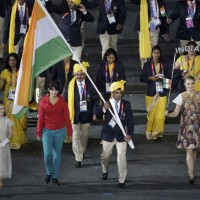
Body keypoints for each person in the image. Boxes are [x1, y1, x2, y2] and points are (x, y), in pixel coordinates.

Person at [96, 80, 134, 188]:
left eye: (120, 92)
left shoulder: (126, 104)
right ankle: (104, 170)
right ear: (112, 93)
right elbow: (97, 116)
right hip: (108, 135)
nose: (118, 95)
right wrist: (103, 108)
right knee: (105, 157)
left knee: (121, 158)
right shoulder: (106, 102)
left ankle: (122, 180)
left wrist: (130, 134)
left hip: (121, 136)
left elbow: (130, 120)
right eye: (116, 92)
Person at [36, 80, 72, 185]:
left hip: (60, 131)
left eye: (56, 90)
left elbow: (67, 118)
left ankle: (55, 176)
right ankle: (49, 172)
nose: (54, 92)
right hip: (46, 131)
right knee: (47, 155)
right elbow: (40, 118)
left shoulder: (62, 101)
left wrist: (69, 132)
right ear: (48, 90)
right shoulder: (43, 101)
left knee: (57, 156)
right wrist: (38, 132)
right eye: (52, 90)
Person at [165, 76, 200, 184]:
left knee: (194, 149)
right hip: (186, 126)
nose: (190, 86)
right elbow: (176, 113)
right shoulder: (181, 96)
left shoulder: (199, 95)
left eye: (192, 84)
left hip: (197, 125)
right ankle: (191, 174)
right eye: (188, 84)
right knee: (189, 149)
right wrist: (167, 114)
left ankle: (191, 170)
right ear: (184, 84)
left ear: (195, 84)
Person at [66, 62, 100, 168]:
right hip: (74, 116)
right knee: (75, 136)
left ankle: (81, 151)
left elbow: (96, 100)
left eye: (81, 74)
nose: (79, 76)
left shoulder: (90, 85)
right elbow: (64, 100)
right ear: (74, 74)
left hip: (87, 115)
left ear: (85, 74)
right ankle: (78, 158)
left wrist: (95, 113)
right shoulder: (70, 85)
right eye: (77, 74)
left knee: (84, 136)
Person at [140, 46, 170, 141]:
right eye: (154, 53)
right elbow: (142, 78)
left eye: (158, 53)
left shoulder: (164, 65)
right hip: (151, 92)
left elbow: (168, 78)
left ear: (160, 54)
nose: (156, 54)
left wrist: (164, 82)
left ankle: (157, 133)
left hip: (162, 92)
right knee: (151, 113)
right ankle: (149, 132)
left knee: (160, 115)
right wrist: (150, 78)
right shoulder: (147, 65)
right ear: (152, 54)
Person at [130, 0, 169, 68]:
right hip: (143, 30)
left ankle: (152, 69)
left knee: (154, 51)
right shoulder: (143, 1)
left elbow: (164, 17)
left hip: (155, 30)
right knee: (143, 49)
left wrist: (166, 31)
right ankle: (144, 68)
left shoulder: (161, 3)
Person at [0, 53, 28, 149]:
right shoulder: (4, 73)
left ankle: (19, 140)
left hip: (19, 98)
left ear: (17, 61)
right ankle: (10, 140)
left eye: (14, 60)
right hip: (8, 99)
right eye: (10, 60)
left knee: (20, 117)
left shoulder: (21, 72)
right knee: (10, 118)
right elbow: (1, 84)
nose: (12, 62)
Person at [0, 104, 13, 189]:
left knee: (2, 162)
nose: (2, 110)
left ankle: (0, 179)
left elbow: (11, 133)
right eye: (0, 108)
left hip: (3, 144)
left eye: (3, 109)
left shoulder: (8, 120)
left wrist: (5, 141)